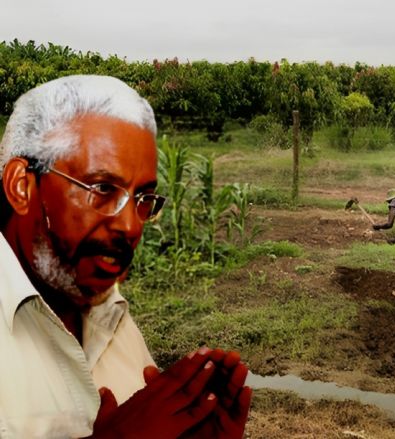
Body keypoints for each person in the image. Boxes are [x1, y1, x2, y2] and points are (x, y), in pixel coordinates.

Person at [0, 75, 251, 438]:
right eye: (102, 189)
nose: (131, 227)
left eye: (143, 199)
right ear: (21, 186)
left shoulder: (107, 309)